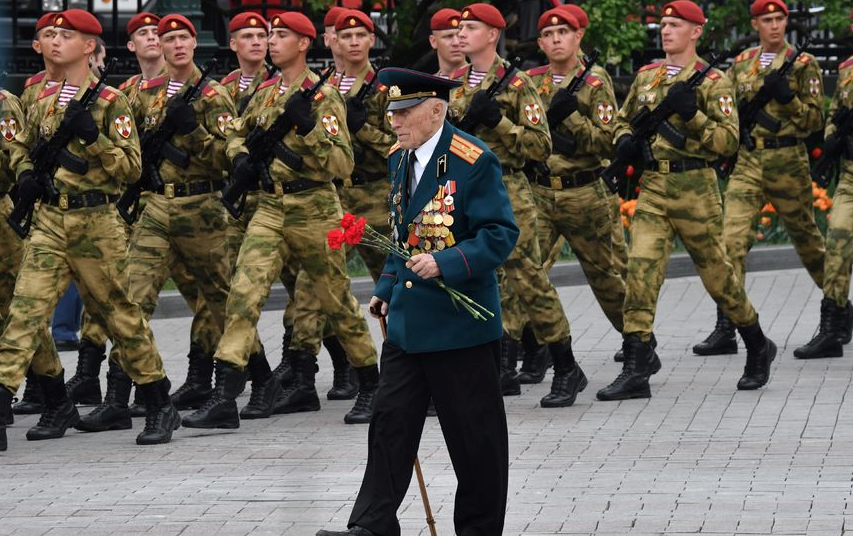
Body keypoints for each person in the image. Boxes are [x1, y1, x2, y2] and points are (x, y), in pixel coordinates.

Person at [317, 67, 519, 536]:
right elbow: (401, 233)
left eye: (404, 112)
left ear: (435, 110)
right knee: (389, 428)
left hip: (459, 328)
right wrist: (386, 289)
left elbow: (499, 234)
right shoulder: (399, 158)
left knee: (475, 445)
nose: (395, 121)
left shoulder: (474, 160)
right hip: (408, 326)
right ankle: (371, 527)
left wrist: (447, 263)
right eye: (392, 113)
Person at [182, 11, 379, 429]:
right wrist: (239, 156)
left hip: (314, 208)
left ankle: (370, 384)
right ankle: (224, 395)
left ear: (305, 43)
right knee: (243, 294)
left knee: (337, 302)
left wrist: (308, 129)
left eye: (282, 34)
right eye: (270, 34)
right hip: (269, 209)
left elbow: (342, 164)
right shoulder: (266, 91)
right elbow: (238, 131)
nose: (272, 41)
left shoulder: (323, 98)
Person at [0, 9, 179, 451]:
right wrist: (25, 173)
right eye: (52, 34)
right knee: (23, 314)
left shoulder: (109, 101)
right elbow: (20, 147)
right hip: (48, 222)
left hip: (96, 223)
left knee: (121, 316)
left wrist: (93, 139)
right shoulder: (42, 98)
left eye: (68, 35)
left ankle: (158, 400)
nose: (56, 41)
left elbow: (132, 169)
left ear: (89, 47)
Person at [599, 0, 777, 401]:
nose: (666, 31)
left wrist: (693, 116)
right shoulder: (647, 77)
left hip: (695, 188)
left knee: (719, 278)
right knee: (641, 274)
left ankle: (756, 341)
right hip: (655, 188)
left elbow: (727, 142)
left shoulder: (714, 82)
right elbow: (624, 120)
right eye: (663, 24)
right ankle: (636, 366)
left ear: (696, 31)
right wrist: (623, 139)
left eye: (675, 24)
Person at [449, 3, 586, 404]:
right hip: (464, 193)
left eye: (471, 27)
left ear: (493, 35)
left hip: (506, 190)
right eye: (459, 27)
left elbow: (540, 146)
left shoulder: (517, 83)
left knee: (528, 280)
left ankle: (565, 365)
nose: (461, 34)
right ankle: (486, 370)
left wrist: (498, 121)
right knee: (471, 280)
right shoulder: (454, 81)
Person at [693, 0, 828, 356]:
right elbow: (730, 111)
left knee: (808, 242)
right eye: (766, 19)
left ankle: (837, 315)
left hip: (788, 159)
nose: (774, 25)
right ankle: (727, 326)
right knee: (731, 242)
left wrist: (790, 101)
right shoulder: (741, 64)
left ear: (786, 22)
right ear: (755, 24)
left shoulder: (803, 63)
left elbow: (815, 121)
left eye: (779, 18)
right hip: (749, 160)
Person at [517, 7, 626, 406]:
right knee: (527, 275)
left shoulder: (595, 82)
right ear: (541, 43)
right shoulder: (530, 81)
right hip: (541, 192)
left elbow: (607, 141)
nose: (557, 39)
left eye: (564, 31)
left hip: (583, 193)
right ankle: (531, 355)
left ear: (578, 36)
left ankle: (637, 347)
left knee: (605, 279)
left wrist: (573, 121)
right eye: (549, 33)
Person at [794, 8, 853, 359]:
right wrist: (833, 140)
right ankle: (833, 327)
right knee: (837, 245)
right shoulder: (847, 70)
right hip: (849, 176)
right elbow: (833, 115)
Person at [429, 8, 465, 77]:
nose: (456, 43)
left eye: (460, 36)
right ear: (433, 41)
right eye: (449, 36)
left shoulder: (484, 81)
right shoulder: (428, 85)